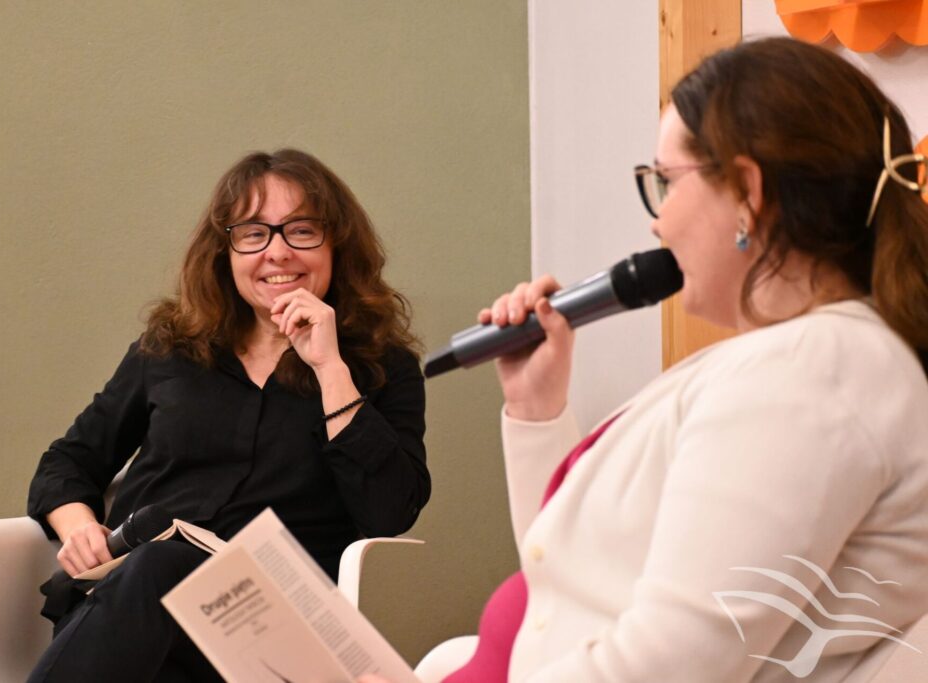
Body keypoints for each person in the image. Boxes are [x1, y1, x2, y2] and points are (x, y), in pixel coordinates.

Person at [365, 37, 928, 683]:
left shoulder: (811, 373)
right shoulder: (792, 361)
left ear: (748, 192)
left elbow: (672, 663)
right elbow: (579, 584)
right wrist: (535, 406)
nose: (657, 224)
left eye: (666, 181)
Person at [26, 148, 430, 681]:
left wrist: (330, 368)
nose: (277, 253)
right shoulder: (168, 350)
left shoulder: (381, 365)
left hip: (270, 638)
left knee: (161, 565)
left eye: (301, 231)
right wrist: (80, 529)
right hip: (133, 612)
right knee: (153, 568)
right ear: (226, 251)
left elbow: (389, 512)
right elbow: (66, 462)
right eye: (254, 234)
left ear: (337, 244)